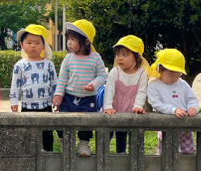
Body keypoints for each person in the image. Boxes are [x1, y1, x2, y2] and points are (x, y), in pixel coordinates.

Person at [52, 19, 107, 157]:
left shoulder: (95, 58)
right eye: (68, 39)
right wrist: (58, 95)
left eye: (73, 39)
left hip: (88, 99)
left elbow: (102, 75)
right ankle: (65, 141)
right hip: (69, 97)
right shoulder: (68, 59)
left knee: (86, 124)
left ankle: (83, 143)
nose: (69, 43)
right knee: (63, 120)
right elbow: (62, 78)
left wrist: (93, 84)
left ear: (86, 41)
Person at [9, 24, 57, 151]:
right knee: (28, 133)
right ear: (22, 45)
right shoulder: (20, 65)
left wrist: (56, 99)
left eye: (37, 42)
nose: (33, 45)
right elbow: (15, 85)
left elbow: (54, 83)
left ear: (43, 45)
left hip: (46, 105)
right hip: (27, 106)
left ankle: (48, 153)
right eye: (29, 42)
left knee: (47, 133)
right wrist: (14, 101)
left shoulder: (48, 64)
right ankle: (29, 154)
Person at [103, 35, 149, 153]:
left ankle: (124, 155)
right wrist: (108, 107)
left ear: (136, 57)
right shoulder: (115, 72)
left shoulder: (141, 74)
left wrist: (138, 106)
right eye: (118, 54)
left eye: (124, 55)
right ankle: (103, 153)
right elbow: (109, 90)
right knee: (107, 133)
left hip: (129, 111)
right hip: (114, 110)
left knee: (124, 134)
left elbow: (141, 92)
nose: (119, 58)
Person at [147, 48, 199, 154]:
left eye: (178, 74)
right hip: (165, 126)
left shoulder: (183, 84)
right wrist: (173, 110)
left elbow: (192, 99)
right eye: (171, 73)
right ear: (160, 69)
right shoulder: (154, 86)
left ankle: (186, 170)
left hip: (184, 126)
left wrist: (193, 107)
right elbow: (156, 104)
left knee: (188, 153)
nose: (174, 77)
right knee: (166, 154)